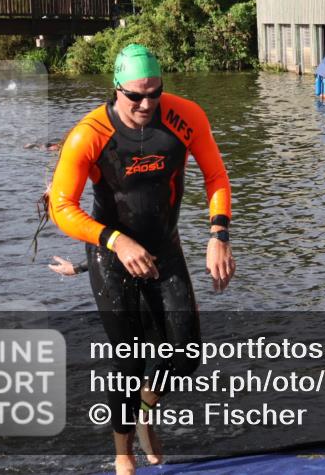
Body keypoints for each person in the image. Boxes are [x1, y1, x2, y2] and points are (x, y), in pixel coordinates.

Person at [48, 43, 233, 475]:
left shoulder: (186, 116)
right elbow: (62, 206)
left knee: (186, 355)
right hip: (111, 253)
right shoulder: (90, 133)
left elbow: (216, 175)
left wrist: (218, 233)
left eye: (155, 92)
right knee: (127, 359)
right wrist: (114, 241)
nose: (147, 104)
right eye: (135, 96)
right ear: (116, 88)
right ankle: (122, 453)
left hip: (163, 246)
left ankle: (147, 407)